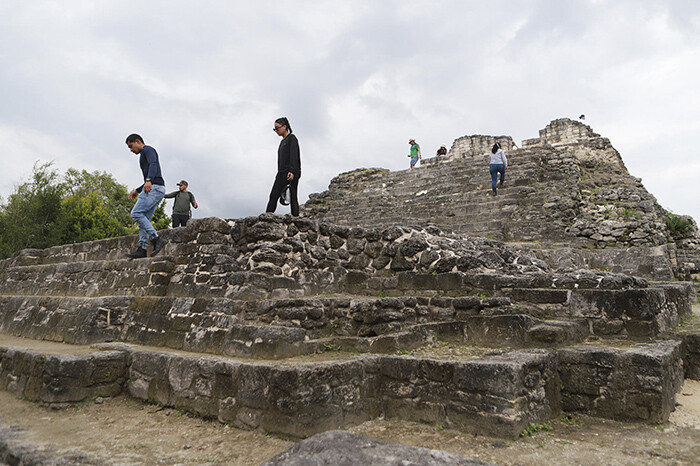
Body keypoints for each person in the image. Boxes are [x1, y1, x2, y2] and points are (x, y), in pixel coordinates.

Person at [124, 133, 168, 258]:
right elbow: (150, 178)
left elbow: (153, 164)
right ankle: (142, 249)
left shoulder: (148, 150)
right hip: (156, 187)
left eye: (131, 146)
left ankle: (156, 239)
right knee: (144, 220)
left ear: (137, 141)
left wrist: (148, 180)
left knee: (136, 213)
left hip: (154, 188)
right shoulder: (143, 154)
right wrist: (138, 190)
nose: (131, 150)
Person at [266, 117, 301, 216]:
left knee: (293, 196)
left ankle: (296, 219)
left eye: (277, 128)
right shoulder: (282, 142)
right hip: (281, 172)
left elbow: (294, 155)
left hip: (290, 172)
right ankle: (267, 217)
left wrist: (292, 171)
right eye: (274, 129)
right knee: (273, 195)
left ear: (284, 126)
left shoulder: (292, 138)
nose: (276, 131)